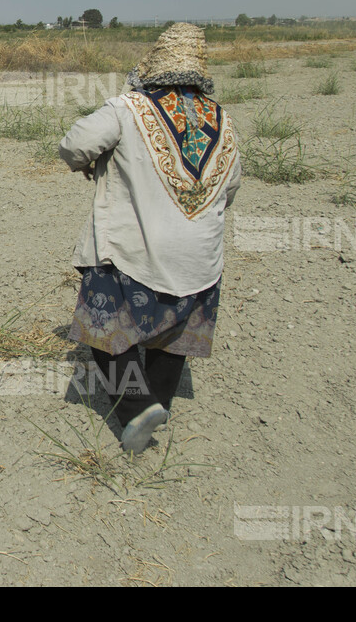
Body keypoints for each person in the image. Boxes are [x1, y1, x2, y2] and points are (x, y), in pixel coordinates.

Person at [58, 22, 241, 453]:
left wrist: (92, 160)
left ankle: (136, 408)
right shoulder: (223, 119)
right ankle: (159, 403)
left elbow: (74, 144)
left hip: (133, 252)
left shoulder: (129, 108)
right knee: (173, 336)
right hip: (201, 260)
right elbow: (231, 188)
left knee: (106, 331)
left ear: (152, 71)